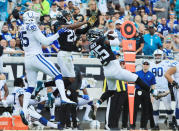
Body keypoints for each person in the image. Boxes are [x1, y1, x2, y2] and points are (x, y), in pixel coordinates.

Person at [19, 10, 75, 126]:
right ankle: (64, 98)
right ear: (31, 18)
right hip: (36, 56)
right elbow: (46, 41)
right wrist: (58, 33)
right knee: (58, 75)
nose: (37, 19)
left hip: (27, 59)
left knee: (30, 87)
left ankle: (24, 109)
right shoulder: (33, 26)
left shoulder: (21, 27)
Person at [86, 28, 157, 119]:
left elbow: (104, 41)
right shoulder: (100, 40)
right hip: (115, 69)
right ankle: (153, 92)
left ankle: (97, 104)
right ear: (93, 36)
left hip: (107, 71)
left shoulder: (91, 46)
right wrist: (114, 35)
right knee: (136, 78)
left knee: (111, 91)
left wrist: (107, 34)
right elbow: (116, 43)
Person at [150, 49, 175, 130]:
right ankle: (156, 125)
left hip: (165, 89)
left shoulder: (166, 64)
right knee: (155, 108)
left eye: (159, 55)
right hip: (155, 89)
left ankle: (170, 122)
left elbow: (172, 74)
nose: (157, 56)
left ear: (162, 56)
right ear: (154, 56)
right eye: (156, 55)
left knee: (168, 107)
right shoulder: (150, 64)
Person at [104, 59, 129, 130]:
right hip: (113, 92)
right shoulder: (113, 71)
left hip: (122, 92)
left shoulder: (125, 72)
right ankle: (108, 125)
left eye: (123, 63)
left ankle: (115, 125)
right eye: (121, 64)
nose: (122, 65)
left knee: (118, 110)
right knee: (111, 109)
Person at [132, 60, 156, 130]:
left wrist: (152, 95)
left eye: (147, 64)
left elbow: (153, 85)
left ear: (149, 65)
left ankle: (143, 126)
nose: (145, 65)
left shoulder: (151, 74)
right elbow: (133, 82)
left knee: (145, 110)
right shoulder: (137, 73)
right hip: (138, 92)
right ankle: (132, 125)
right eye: (144, 64)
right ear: (142, 65)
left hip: (146, 93)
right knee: (134, 109)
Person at [165, 61, 179, 130]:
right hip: (175, 87)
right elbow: (167, 75)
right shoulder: (175, 66)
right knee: (176, 105)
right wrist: (174, 83)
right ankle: (174, 122)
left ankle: (174, 121)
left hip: (175, 87)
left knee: (176, 105)